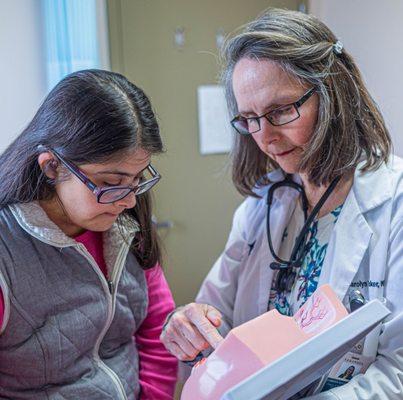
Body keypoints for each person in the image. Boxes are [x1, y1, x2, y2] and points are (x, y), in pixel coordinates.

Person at [160, 8, 403, 399]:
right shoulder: (260, 209)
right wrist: (185, 324)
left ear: (332, 93)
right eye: (249, 118)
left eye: (280, 111)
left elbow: (398, 373)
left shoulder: (395, 205)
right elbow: (215, 321)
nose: (265, 137)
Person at [0, 69, 178, 399]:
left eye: (138, 178)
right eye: (110, 183)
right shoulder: (6, 254)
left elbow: (157, 329)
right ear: (51, 166)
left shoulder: (125, 221)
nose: (128, 200)